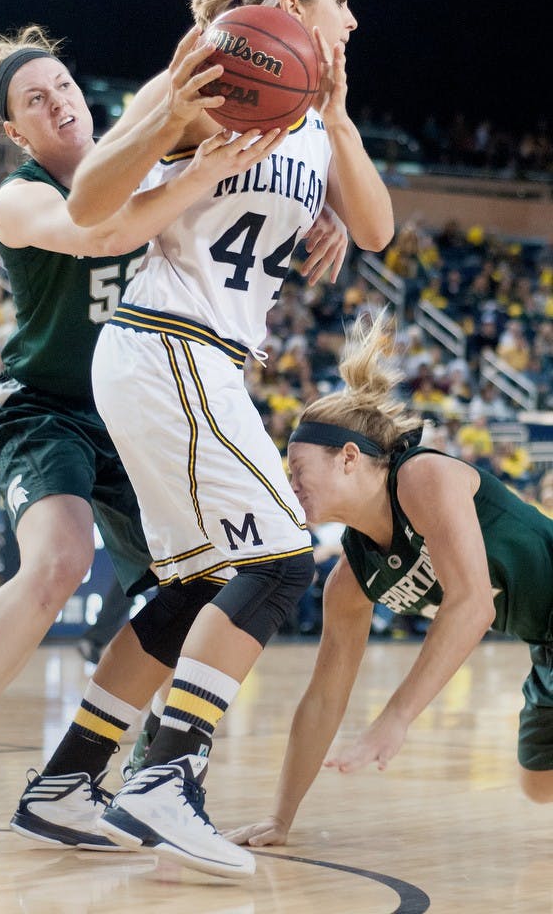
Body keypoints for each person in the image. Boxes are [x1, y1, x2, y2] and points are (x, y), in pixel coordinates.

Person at [0, 21, 320, 857]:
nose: (58, 103)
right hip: (46, 406)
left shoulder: (145, 163)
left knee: (196, 590)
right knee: (55, 561)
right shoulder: (20, 195)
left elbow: (238, 220)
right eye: (34, 101)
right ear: (16, 131)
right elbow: (101, 234)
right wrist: (199, 168)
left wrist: (311, 220)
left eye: (63, 86)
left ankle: (69, 783)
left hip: (137, 410)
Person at [55, 0, 392, 879]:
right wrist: (175, 122)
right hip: (167, 340)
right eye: (341, 0)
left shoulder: (313, 120)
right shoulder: (221, 68)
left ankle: (69, 779)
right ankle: (166, 777)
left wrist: (337, 122)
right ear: (290, 4)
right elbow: (91, 202)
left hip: (200, 357)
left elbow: (376, 230)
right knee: (283, 555)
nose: (354, 19)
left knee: (198, 585)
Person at [228, 309, 553, 851]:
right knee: (539, 784)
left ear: (350, 458)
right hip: (545, 641)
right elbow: (324, 697)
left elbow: (472, 605)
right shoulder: (350, 580)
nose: (291, 484)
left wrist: (396, 717)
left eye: (297, 469)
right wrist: (281, 818)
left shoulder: (422, 476)